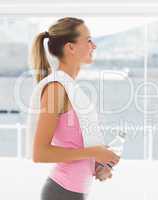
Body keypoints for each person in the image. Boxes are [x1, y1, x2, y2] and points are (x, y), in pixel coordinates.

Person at [29, 17, 120, 200]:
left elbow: (74, 145)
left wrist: (96, 164)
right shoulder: (56, 88)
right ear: (70, 47)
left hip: (75, 191)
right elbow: (40, 153)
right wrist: (94, 152)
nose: (93, 46)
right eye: (88, 40)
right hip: (61, 192)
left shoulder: (71, 87)